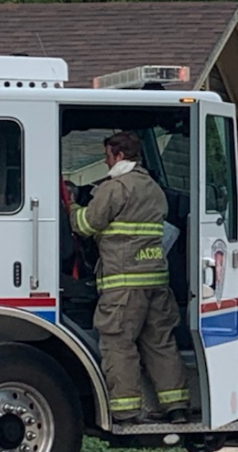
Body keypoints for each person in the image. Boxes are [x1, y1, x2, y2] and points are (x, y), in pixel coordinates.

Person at [68, 131, 189, 424]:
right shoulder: (154, 188)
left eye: (108, 156)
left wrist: (71, 205)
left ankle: (125, 410)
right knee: (160, 342)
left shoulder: (116, 188)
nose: (106, 162)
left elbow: (86, 224)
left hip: (122, 285)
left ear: (119, 156)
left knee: (118, 344)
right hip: (156, 282)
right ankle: (176, 406)